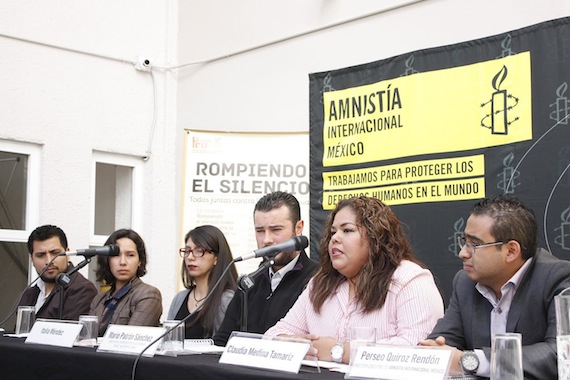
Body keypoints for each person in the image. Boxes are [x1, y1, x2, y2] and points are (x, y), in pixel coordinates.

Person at [264, 196, 444, 363]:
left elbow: (419, 352)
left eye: (347, 230)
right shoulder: (319, 283)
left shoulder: (410, 281)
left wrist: (340, 351)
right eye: (333, 232)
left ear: (377, 238)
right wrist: (292, 344)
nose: (335, 238)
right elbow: (274, 334)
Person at [419, 194, 570, 379]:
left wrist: (470, 361)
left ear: (511, 251)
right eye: (464, 242)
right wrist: (434, 351)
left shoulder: (559, 279)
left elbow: (560, 353)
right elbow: (441, 342)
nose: (462, 253)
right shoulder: (465, 282)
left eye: (474, 244)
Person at [213, 191, 318, 346]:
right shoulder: (249, 283)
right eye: (260, 231)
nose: (267, 240)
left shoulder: (318, 280)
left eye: (276, 230)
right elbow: (220, 342)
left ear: (299, 228)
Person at [167, 225, 238, 339]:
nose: (190, 257)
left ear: (216, 257)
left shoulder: (227, 299)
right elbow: (168, 342)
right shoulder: (179, 299)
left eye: (199, 251)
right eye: (187, 251)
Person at [90, 228, 162, 336]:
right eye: (116, 255)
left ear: (140, 261)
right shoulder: (98, 300)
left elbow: (129, 340)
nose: (122, 262)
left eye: (130, 255)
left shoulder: (149, 294)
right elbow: (85, 338)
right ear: (107, 260)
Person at [18, 225, 97, 321]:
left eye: (55, 253)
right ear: (32, 259)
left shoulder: (82, 290)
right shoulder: (29, 293)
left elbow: (70, 334)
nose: (49, 261)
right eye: (40, 255)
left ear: (68, 253)